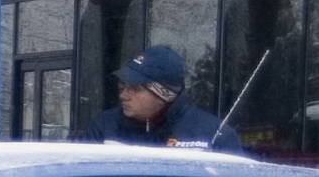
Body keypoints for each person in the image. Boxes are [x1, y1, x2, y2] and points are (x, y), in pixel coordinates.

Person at [83, 44, 243, 152]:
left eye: (135, 89)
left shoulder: (214, 135)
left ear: (163, 94)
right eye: (123, 87)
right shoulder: (104, 127)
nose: (123, 95)